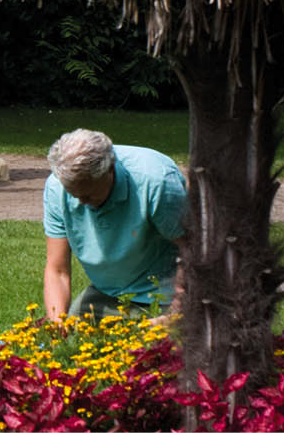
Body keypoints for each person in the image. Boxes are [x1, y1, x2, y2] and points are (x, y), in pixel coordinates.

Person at [42, 128, 187, 322]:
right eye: (75, 195)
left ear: (110, 169)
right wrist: (56, 325)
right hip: (106, 293)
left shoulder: (157, 182)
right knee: (71, 343)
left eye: (88, 195)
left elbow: (192, 249)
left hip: (162, 295)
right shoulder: (57, 187)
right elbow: (57, 270)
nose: (81, 203)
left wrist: (177, 312)